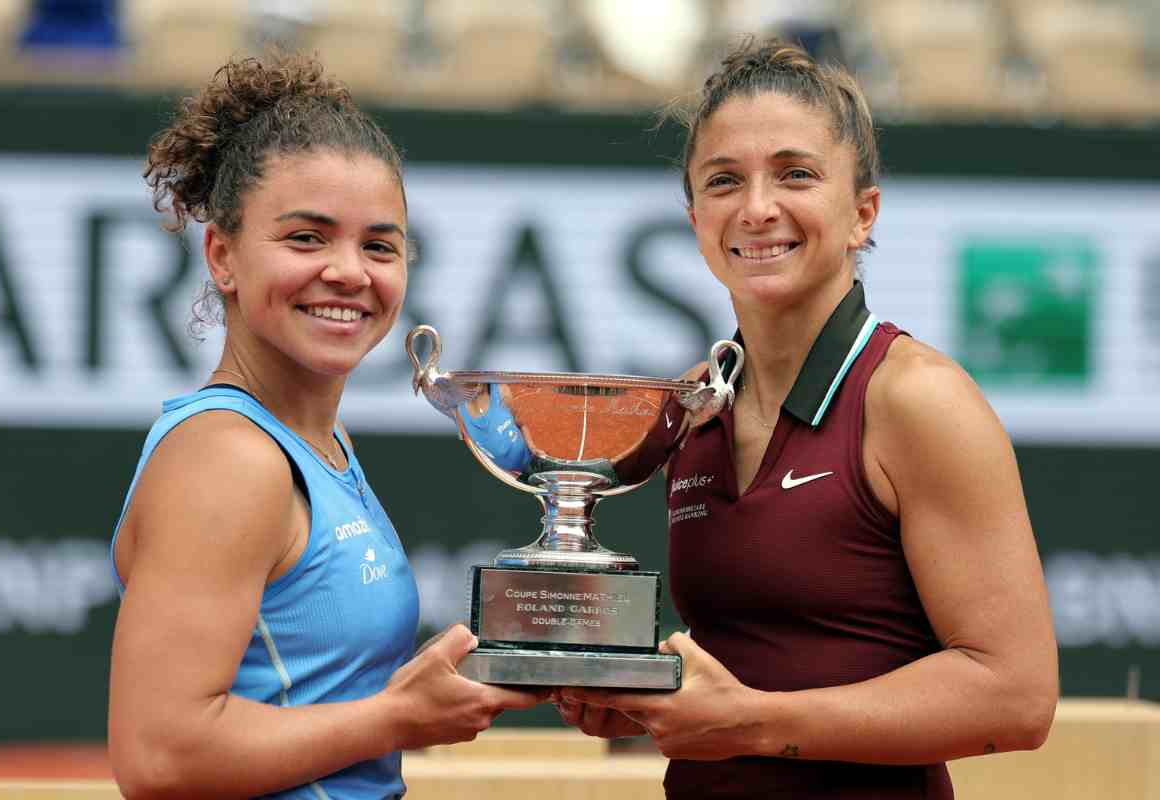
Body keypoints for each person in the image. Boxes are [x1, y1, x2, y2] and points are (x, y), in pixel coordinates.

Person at [556, 38, 1058, 799]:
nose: (758, 209)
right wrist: (648, 702)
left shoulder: (916, 399)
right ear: (695, 221)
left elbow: (1016, 697)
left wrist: (750, 722)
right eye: (724, 181)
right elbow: (758, 662)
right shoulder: (695, 406)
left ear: (862, 214)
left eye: (795, 174)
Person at [107, 52, 542, 799]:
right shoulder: (229, 459)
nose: (348, 271)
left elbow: (306, 694)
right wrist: (398, 717)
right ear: (223, 256)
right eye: (307, 238)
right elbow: (160, 756)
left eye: (379, 245)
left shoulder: (314, 444)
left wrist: (434, 685)